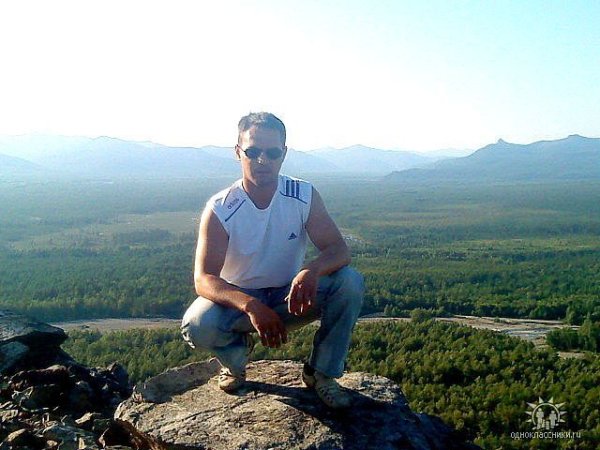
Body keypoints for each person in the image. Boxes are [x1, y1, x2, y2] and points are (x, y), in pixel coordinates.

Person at [181, 112, 364, 409]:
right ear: (237, 152)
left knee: (349, 282)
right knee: (197, 325)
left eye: (272, 152)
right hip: (238, 303)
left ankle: (322, 373)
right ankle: (235, 359)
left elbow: (339, 251)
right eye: (252, 151)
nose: (262, 160)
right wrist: (251, 306)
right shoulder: (221, 208)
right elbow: (204, 279)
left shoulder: (302, 196)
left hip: (289, 296)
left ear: (284, 153)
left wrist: (310, 270)